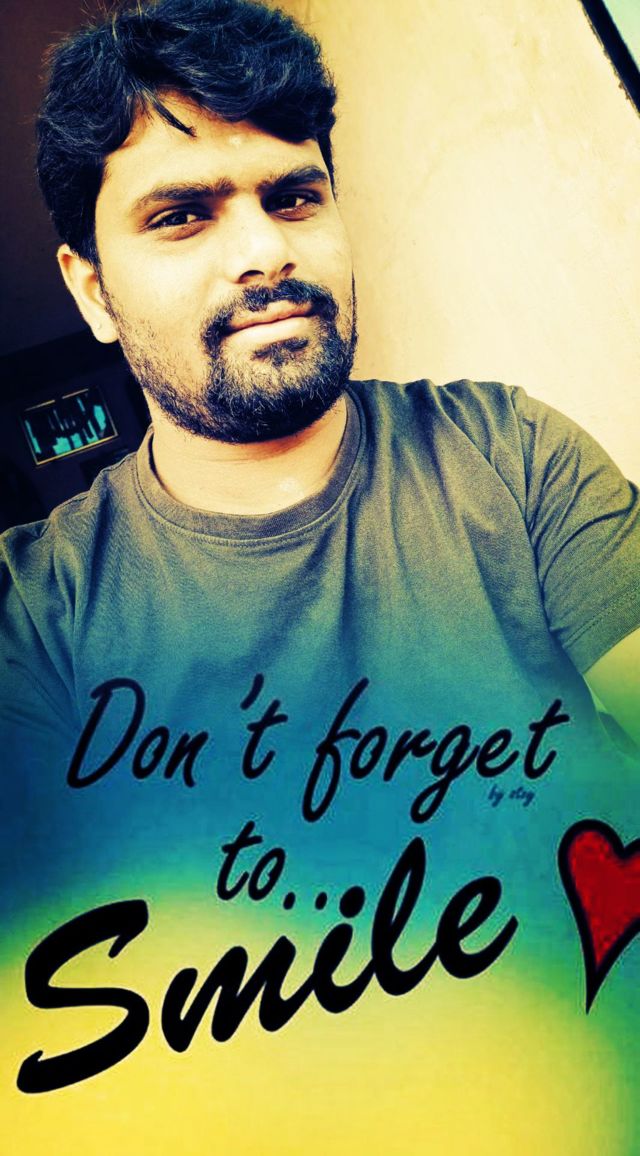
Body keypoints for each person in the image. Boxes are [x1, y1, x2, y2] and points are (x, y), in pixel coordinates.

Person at [1, 0, 638, 1151]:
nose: (264, 250)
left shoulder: (512, 454)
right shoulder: (35, 620)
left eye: (294, 196)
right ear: (91, 290)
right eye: (181, 216)